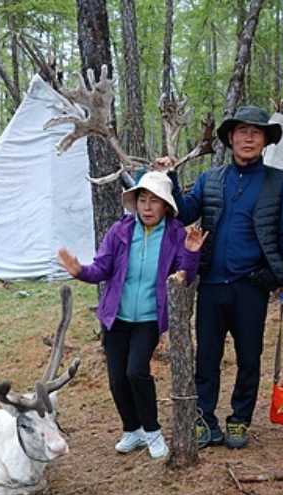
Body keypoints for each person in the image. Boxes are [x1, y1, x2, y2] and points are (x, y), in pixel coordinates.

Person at [157, 105, 283, 450]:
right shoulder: (210, 179)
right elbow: (183, 212)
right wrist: (172, 178)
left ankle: (239, 420)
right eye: (241, 131)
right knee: (206, 357)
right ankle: (204, 419)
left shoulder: (276, 182)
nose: (248, 137)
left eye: (256, 132)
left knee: (249, 357)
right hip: (210, 285)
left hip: (252, 285)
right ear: (231, 138)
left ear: (265, 140)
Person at [57, 171, 206, 459]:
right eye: (142, 200)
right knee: (117, 378)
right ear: (135, 203)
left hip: (149, 319)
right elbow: (102, 269)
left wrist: (191, 252)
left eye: (155, 201)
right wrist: (79, 271)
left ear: (166, 206)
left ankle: (152, 431)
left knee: (136, 371)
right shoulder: (120, 231)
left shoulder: (176, 234)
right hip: (116, 317)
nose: (148, 207)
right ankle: (132, 430)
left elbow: (184, 277)